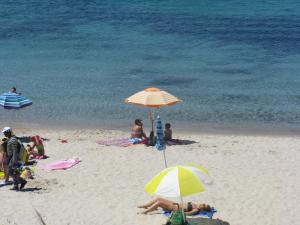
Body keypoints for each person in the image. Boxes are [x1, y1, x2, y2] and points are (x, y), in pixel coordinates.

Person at [138, 197, 211, 215]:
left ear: (203, 209)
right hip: (176, 203)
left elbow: (187, 214)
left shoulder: (196, 210)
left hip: (175, 208)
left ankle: (145, 211)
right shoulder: (196, 204)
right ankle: (145, 205)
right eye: (204, 203)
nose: (203, 204)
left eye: (204, 205)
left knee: (159, 202)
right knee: (158, 198)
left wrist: (177, 212)